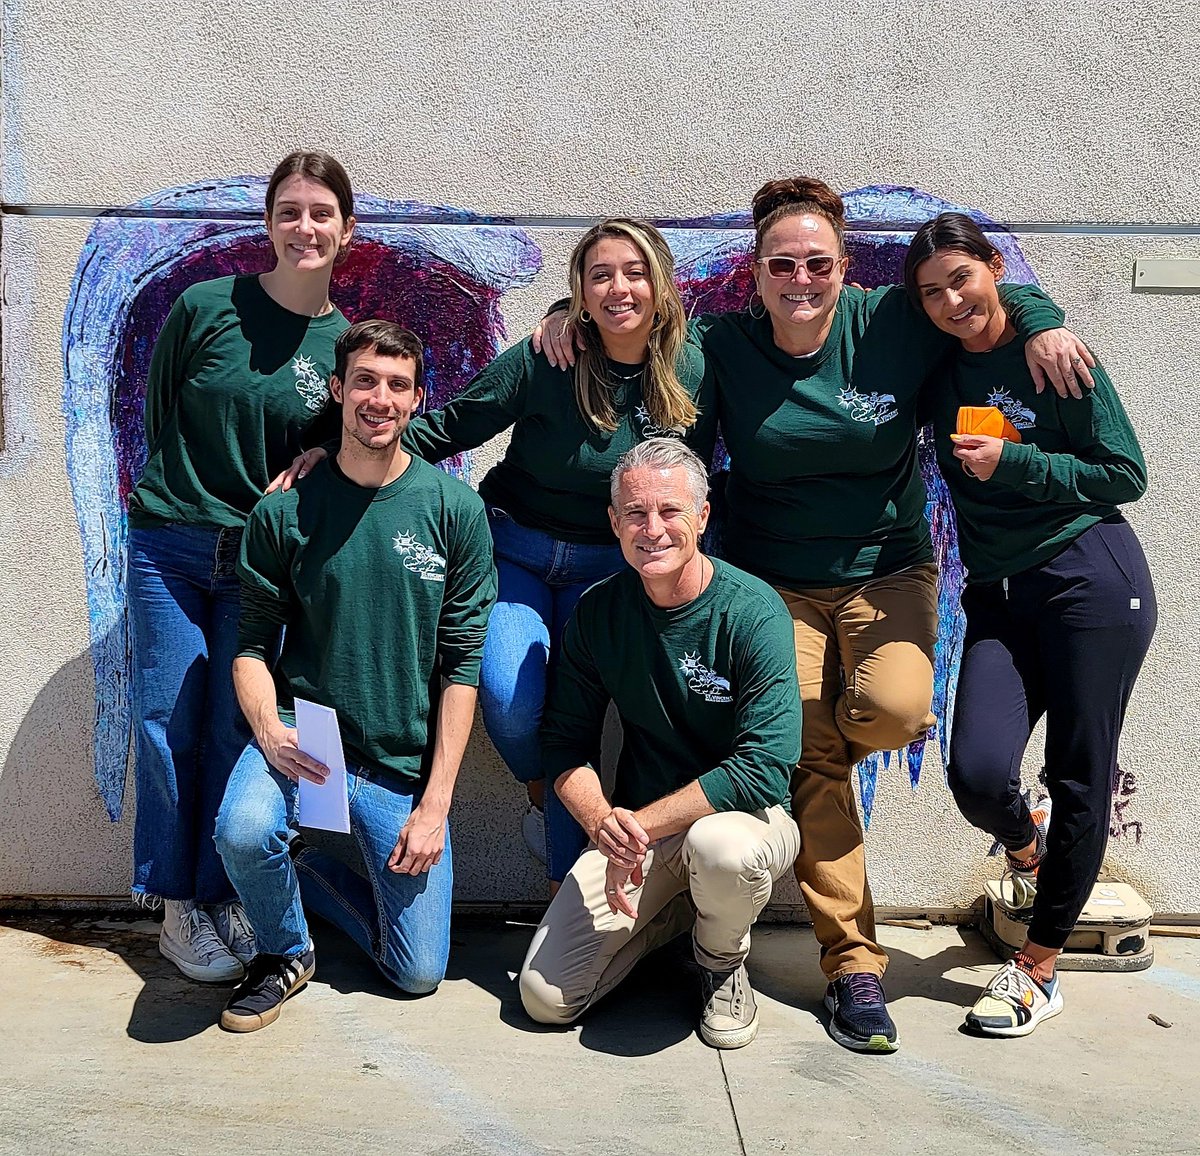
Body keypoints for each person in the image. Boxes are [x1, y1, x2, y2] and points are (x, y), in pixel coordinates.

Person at [535, 177, 1095, 1052]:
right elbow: (639, 354)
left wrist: (1044, 313)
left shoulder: (892, 321)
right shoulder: (725, 345)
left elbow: (980, 288)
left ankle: (869, 813)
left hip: (887, 571)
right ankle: (856, 967)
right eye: (783, 264)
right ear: (756, 274)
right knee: (809, 756)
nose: (802, 279)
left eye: (819, 263)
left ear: (845, 267)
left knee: (897, 709)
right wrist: (564, 320)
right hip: (775, 583)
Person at [277, 218, 717, 887]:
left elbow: (707, 472)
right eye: (599, 275)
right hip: (517, 549)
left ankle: (572, 902)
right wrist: (340, 456)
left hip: (614, 569)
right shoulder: (551, 357)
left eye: (633, 272)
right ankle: (550, 804)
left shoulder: (691, 366)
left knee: (584, 718)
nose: (618, 288)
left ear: (660, 282)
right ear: (579, 290)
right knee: (514, 705)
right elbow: (451, 426)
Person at [904, 213, 1156, 1037]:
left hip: (1090, 578)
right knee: (978, 772)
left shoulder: (1060, 359)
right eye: (932, 291)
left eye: (962, 279)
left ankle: (1037, 968)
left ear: (994, 267)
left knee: (1080, 772)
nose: (950, 300)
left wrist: (1018, 461)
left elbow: (1127, 473)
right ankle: (1025, 848)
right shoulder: (940, 364)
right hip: (998, 596)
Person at [212, 320, 496, 1032]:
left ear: (417, 400)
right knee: (244, 830)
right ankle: (285, 949)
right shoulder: (284, 511)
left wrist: (435, 806)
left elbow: (462, 669)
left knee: (418, 973)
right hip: (315, 744)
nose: (380, 398)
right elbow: (249, 646)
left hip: (402, 760)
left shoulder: (453, 510)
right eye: (365, 380)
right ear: (338, 390)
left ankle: (307, 871)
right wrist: (269, 730)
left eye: (398, 385)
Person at [125, 150, 356, 981]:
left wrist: (324, 454)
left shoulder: (340, 345)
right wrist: (186, 499)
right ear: (268, 223)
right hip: (170, 546)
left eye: (321, 213)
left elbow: (352, 440)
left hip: (258, 563)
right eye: (290, 211)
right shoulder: (205, 307)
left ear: (346, 229)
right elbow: (159, 419)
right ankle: (178, 905)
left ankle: (222, 893)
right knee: (164, 721)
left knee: (235, 725)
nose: (305, 227)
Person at [519, 439, 801, 1049]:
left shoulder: (754, 611)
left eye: (671, 511)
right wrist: (603, 826)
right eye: (636, 514)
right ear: (614, 523)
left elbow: (765, 768)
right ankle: (677, 914)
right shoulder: (598, 614)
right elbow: (565, 742)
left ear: (702, 517)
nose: (654, 529)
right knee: (545, 999)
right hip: (642, 834)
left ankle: (720, 961)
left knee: (720, 848)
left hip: (747, 821)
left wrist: (635, 826)